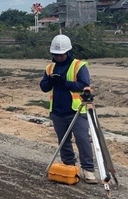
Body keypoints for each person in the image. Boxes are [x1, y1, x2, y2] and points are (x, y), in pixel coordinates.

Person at [40, 34, 97, 184]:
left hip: (76, 110)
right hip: (58, 111)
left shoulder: (79, 66)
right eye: (56, 55)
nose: (58, 57)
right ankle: (69, 166)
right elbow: (44, 87)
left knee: (83, 140)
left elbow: (84, 86)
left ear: (68, 52)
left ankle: (88, 169)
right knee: (63, 140)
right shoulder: (50, 67)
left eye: (61, 54)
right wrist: (51, 81)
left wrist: (64, 83)